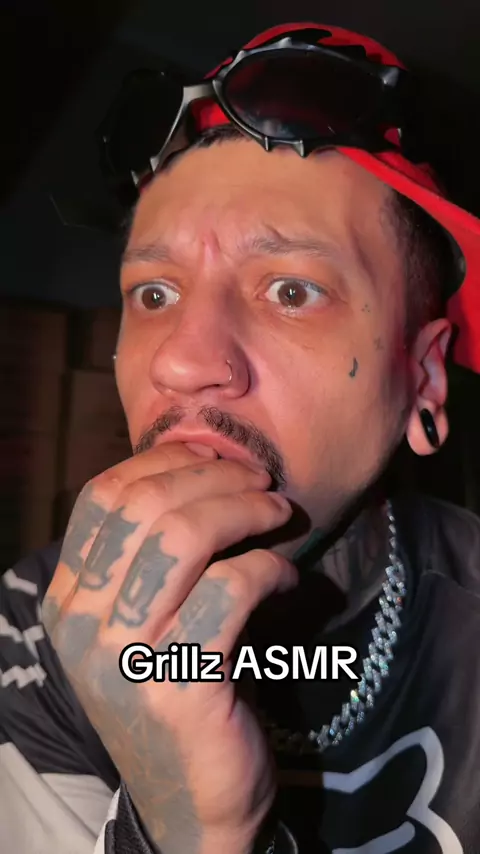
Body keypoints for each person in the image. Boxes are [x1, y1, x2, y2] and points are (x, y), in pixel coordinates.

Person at [2, 20, 480, 854]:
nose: (182, 363)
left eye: (292, 290)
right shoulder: (28, 632)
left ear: (425, 380)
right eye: (154, 294)